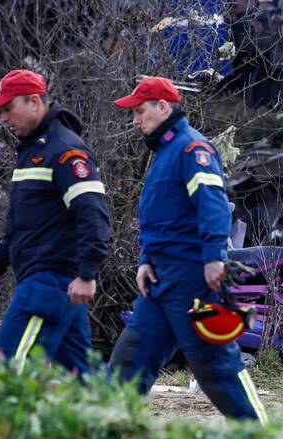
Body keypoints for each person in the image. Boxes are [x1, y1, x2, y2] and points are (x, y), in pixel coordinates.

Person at [109, 76, 267, 423]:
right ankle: (110, 429)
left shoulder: (193, 149)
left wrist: (213, 257)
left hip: (192, 278)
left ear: (163, 107)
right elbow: (161, 217)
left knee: (216, 366)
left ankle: (257, 431)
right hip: (160, 282)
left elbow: (212, 204)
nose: (135, 120)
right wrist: (146, 260)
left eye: (139, 111)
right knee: (129, 362)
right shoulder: (164, 151)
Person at [0, 69, 111, 374]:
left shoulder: (65, 151)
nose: (3, 119)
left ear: (34, 101)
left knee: (7, 371)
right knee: (85, 380)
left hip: (49, 282)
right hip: (52, 283)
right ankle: (117, 422)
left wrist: (88, 273)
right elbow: (22, 226)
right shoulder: (31, 152)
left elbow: (94, 214)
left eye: (8, 108)